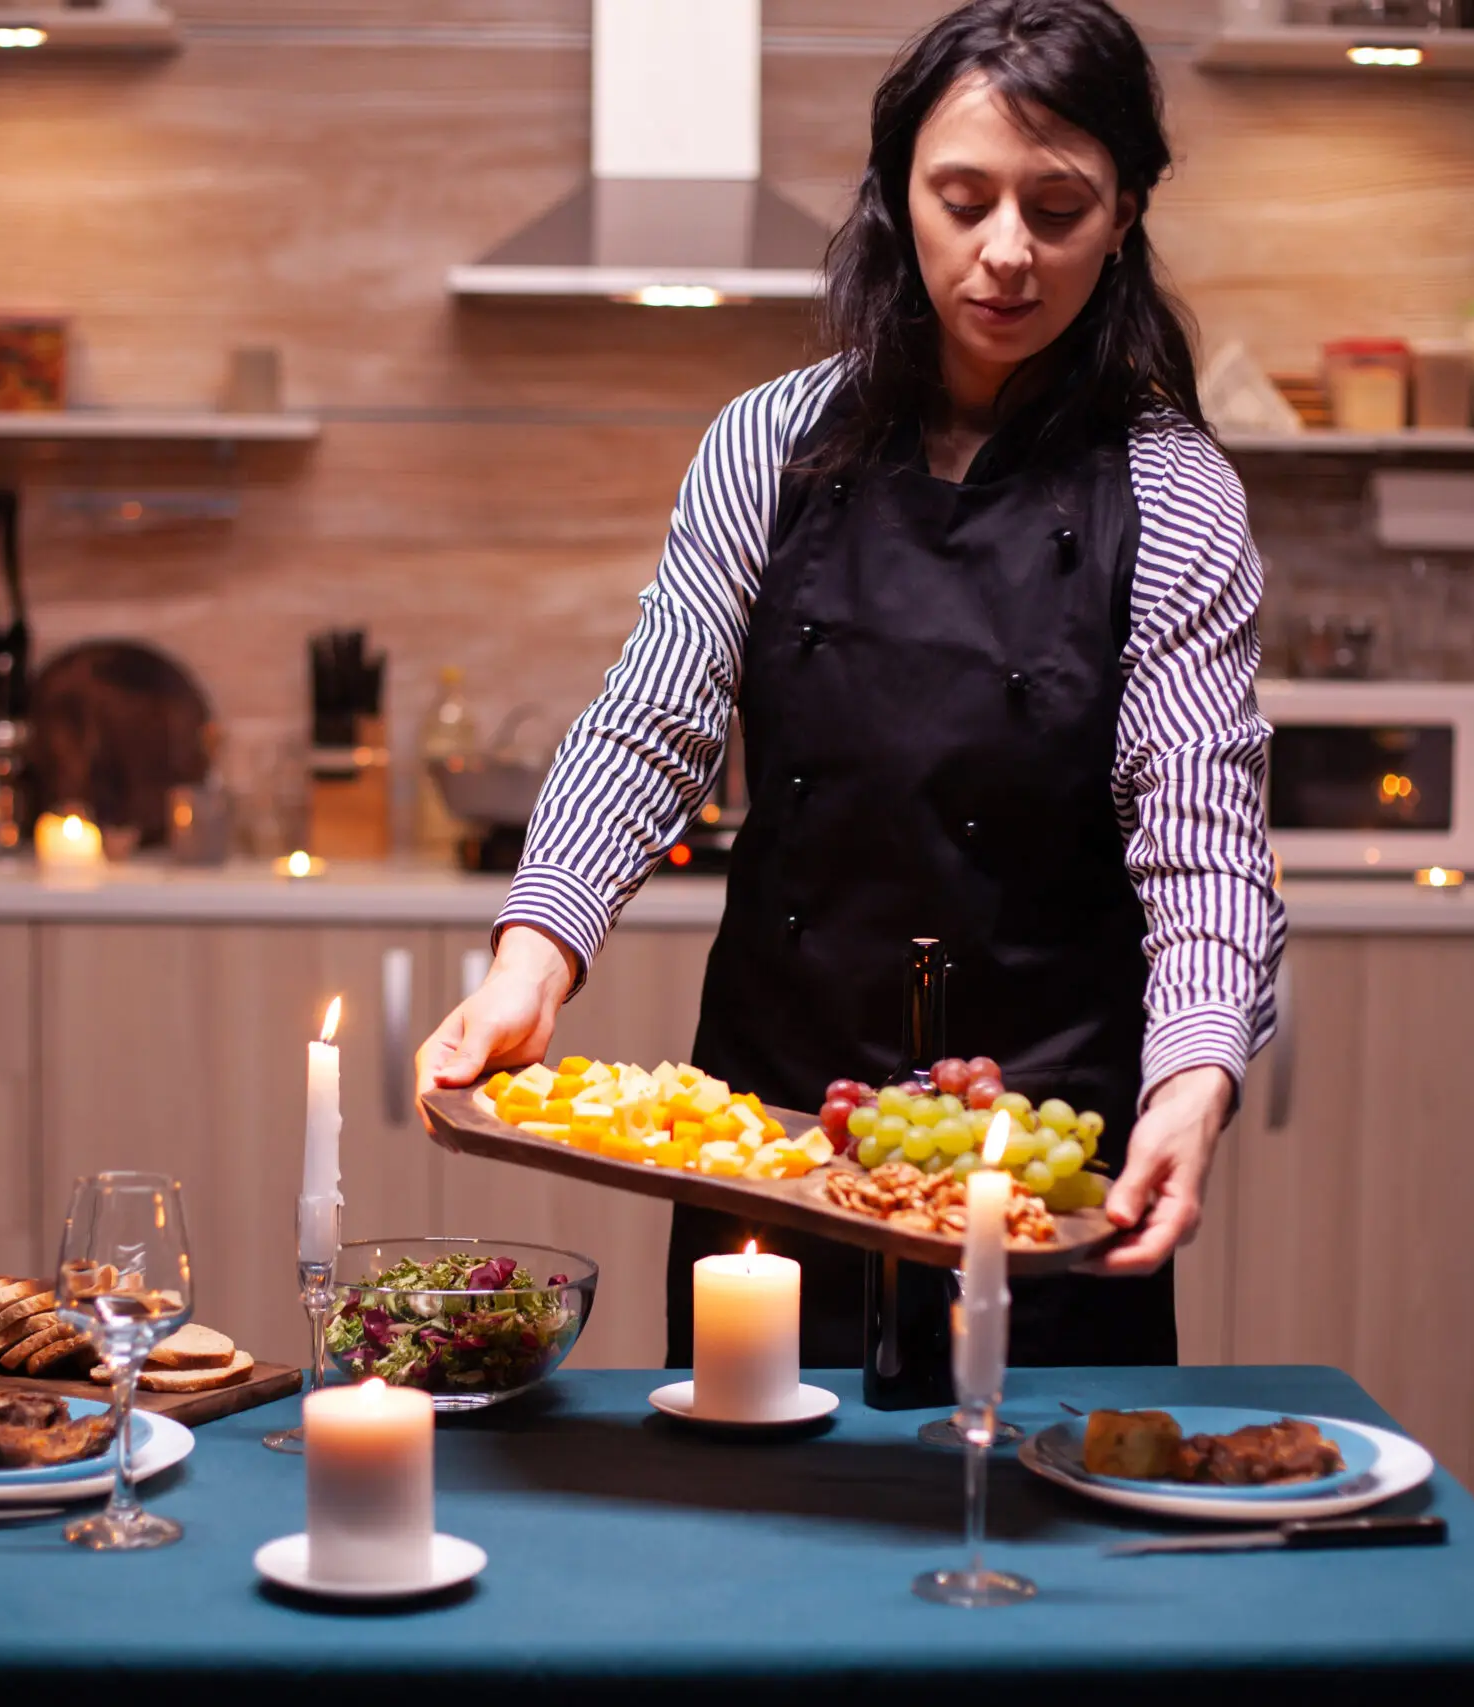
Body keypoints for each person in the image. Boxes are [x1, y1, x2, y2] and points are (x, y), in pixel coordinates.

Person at [417, 0, 1284, 1372]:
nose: (1008, 252)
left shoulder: (1173, 493)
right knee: (751, 1532)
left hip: (1036, 1159)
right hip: (770, 1134)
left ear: (1124, 216)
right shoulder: (768, 440)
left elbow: (1202, 837)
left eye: (1059, 208)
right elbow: (650, 728)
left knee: (1032, 1538)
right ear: (898, 198)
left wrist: (1194, 1079)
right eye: (964, 198)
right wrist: (536, 952)